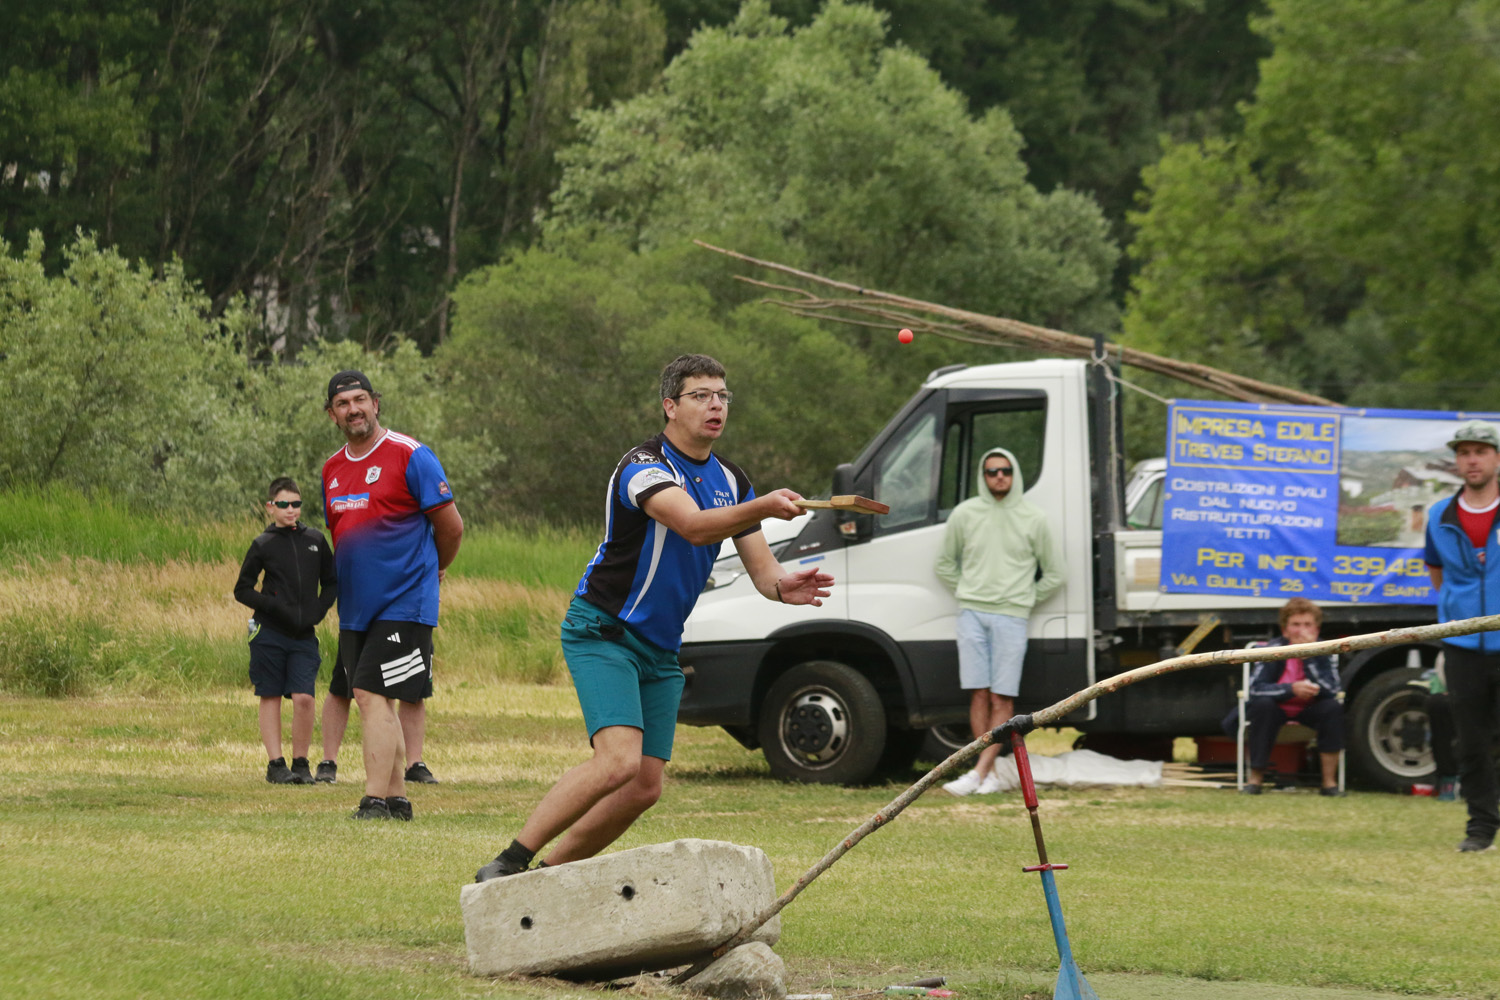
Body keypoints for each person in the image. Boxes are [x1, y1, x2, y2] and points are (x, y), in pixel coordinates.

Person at [474, 354, 834, 880]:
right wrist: (762, 506)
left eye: (722, 396)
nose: (715, 405)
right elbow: (693, 525)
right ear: (670, 405)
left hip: (661, 650)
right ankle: (508, 863)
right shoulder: (644, 466)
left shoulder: (732, 479)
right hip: (604, 631)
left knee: (644, 787)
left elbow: (764, 572)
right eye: (701, 395)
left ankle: (544, 877)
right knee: (618, 761)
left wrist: (785, 588)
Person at [318, 370, 463, 820]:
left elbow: (451, 527)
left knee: (368, 692)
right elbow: (342, 534)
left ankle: (374, 800)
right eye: (343, 404)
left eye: (360, 399)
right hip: (356, 608)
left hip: (405, 600)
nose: (353, 409)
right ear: (332, 414)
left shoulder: (410, 455)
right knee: (375, 698)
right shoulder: (331, 469)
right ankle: (398, 798)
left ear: (375, 404)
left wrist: (435, 569)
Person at [935, 447, 1063, 796]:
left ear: (1014, 473)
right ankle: (986, 774)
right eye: (992, 471)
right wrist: (968, 591)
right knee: (979, 692)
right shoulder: (965, 514)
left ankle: (978, 773)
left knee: (1002, 696)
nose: (999, 476)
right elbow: (944, 563)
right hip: (972, 613)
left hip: (1012, 615)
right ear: (983, 476)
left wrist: (1024, 599)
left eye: (1005, 470)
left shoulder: (1033, 518)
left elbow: (1055, 573)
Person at [1424, 419, 1500, 851]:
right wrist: (1460, 611)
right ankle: (1480, 829)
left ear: (1496, 458)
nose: (1472, 460)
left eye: (1480, 451)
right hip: (1462, 646)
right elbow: (1436, 572)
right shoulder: (1439, 514)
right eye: (1464, 453)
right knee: (1471, 743)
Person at [233, 477, 337, 784]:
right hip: (269, 633)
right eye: (283, 504)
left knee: (304, 697)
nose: (290, 510)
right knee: (271, 694)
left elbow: (331, 583)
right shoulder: (263, 544)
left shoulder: (316, 540)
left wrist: (318, 611)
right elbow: (242, 589)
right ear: (270, 507)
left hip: (303, 635)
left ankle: (301, 763)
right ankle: (276, 765)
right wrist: (273, 606)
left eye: (296, 504)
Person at [1222, 597, 1344, 796]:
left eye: (1307, 624)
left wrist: (1309, 657)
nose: (1301, 630)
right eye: (1296, 624)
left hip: (1310, 709)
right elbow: (1256, 689)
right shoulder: (1272, 650)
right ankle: (1255, 780)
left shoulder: (1325, 650)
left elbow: (1332, 689)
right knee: (1262, 706)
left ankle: (1329, 783)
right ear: (1285, 629)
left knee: (1332, 707)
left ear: (1316, 629)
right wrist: (1290, 689)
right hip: (1277, 709)